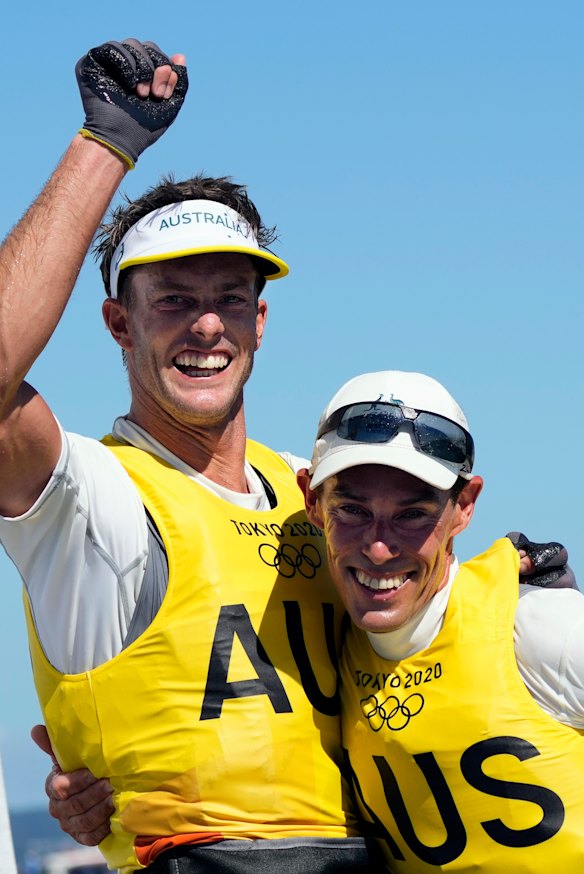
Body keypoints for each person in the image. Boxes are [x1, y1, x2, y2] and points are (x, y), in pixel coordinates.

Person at [0, 39, 375, 873]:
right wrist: (106, 146)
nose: (206, 325)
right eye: (172, 300)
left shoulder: (311, 486)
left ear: (260, 323)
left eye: (228, 300)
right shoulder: (92, 501)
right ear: (119, 325)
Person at [297, 369, 584, 871]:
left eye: (412, 515)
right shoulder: (322, 655)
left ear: (464, 507)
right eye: (352, 510)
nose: (379, 546)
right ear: (312, 503)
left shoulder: (541, 629)